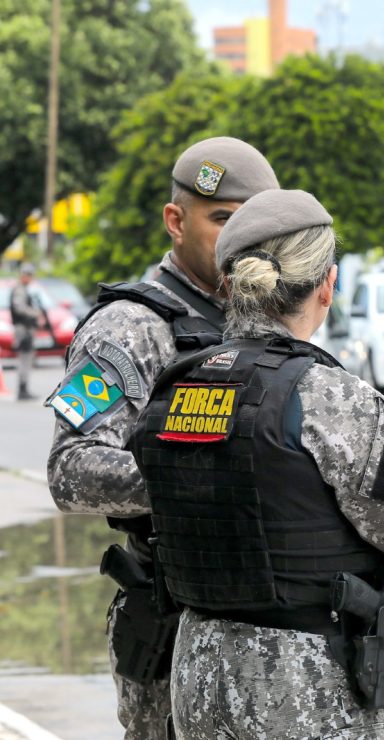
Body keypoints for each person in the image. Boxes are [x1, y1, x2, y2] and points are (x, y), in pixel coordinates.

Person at [129, 189, 384, 739]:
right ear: (327, 285)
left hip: (196, 676)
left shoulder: (175, 385)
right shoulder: (335, 401)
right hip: (302, 690)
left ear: (231, 287)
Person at [46, 136, 279, 739]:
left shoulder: (268, 318)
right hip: (173, 620)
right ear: (176, 221)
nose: (240, 241)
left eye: (253, 224)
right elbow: (71, 471)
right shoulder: (130, 329)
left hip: (267, 630)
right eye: (223, 220)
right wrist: (203, 477)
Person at [9, 263, 43, 400]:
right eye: (28, 275)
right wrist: (36, 314)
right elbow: (20, 308)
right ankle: (22, 389)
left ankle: (23, 388)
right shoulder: (19, 289)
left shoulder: (23, 289)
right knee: (25, 358)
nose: (29, 278)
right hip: (23, 328)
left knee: (26, 358)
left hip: (25, 327)